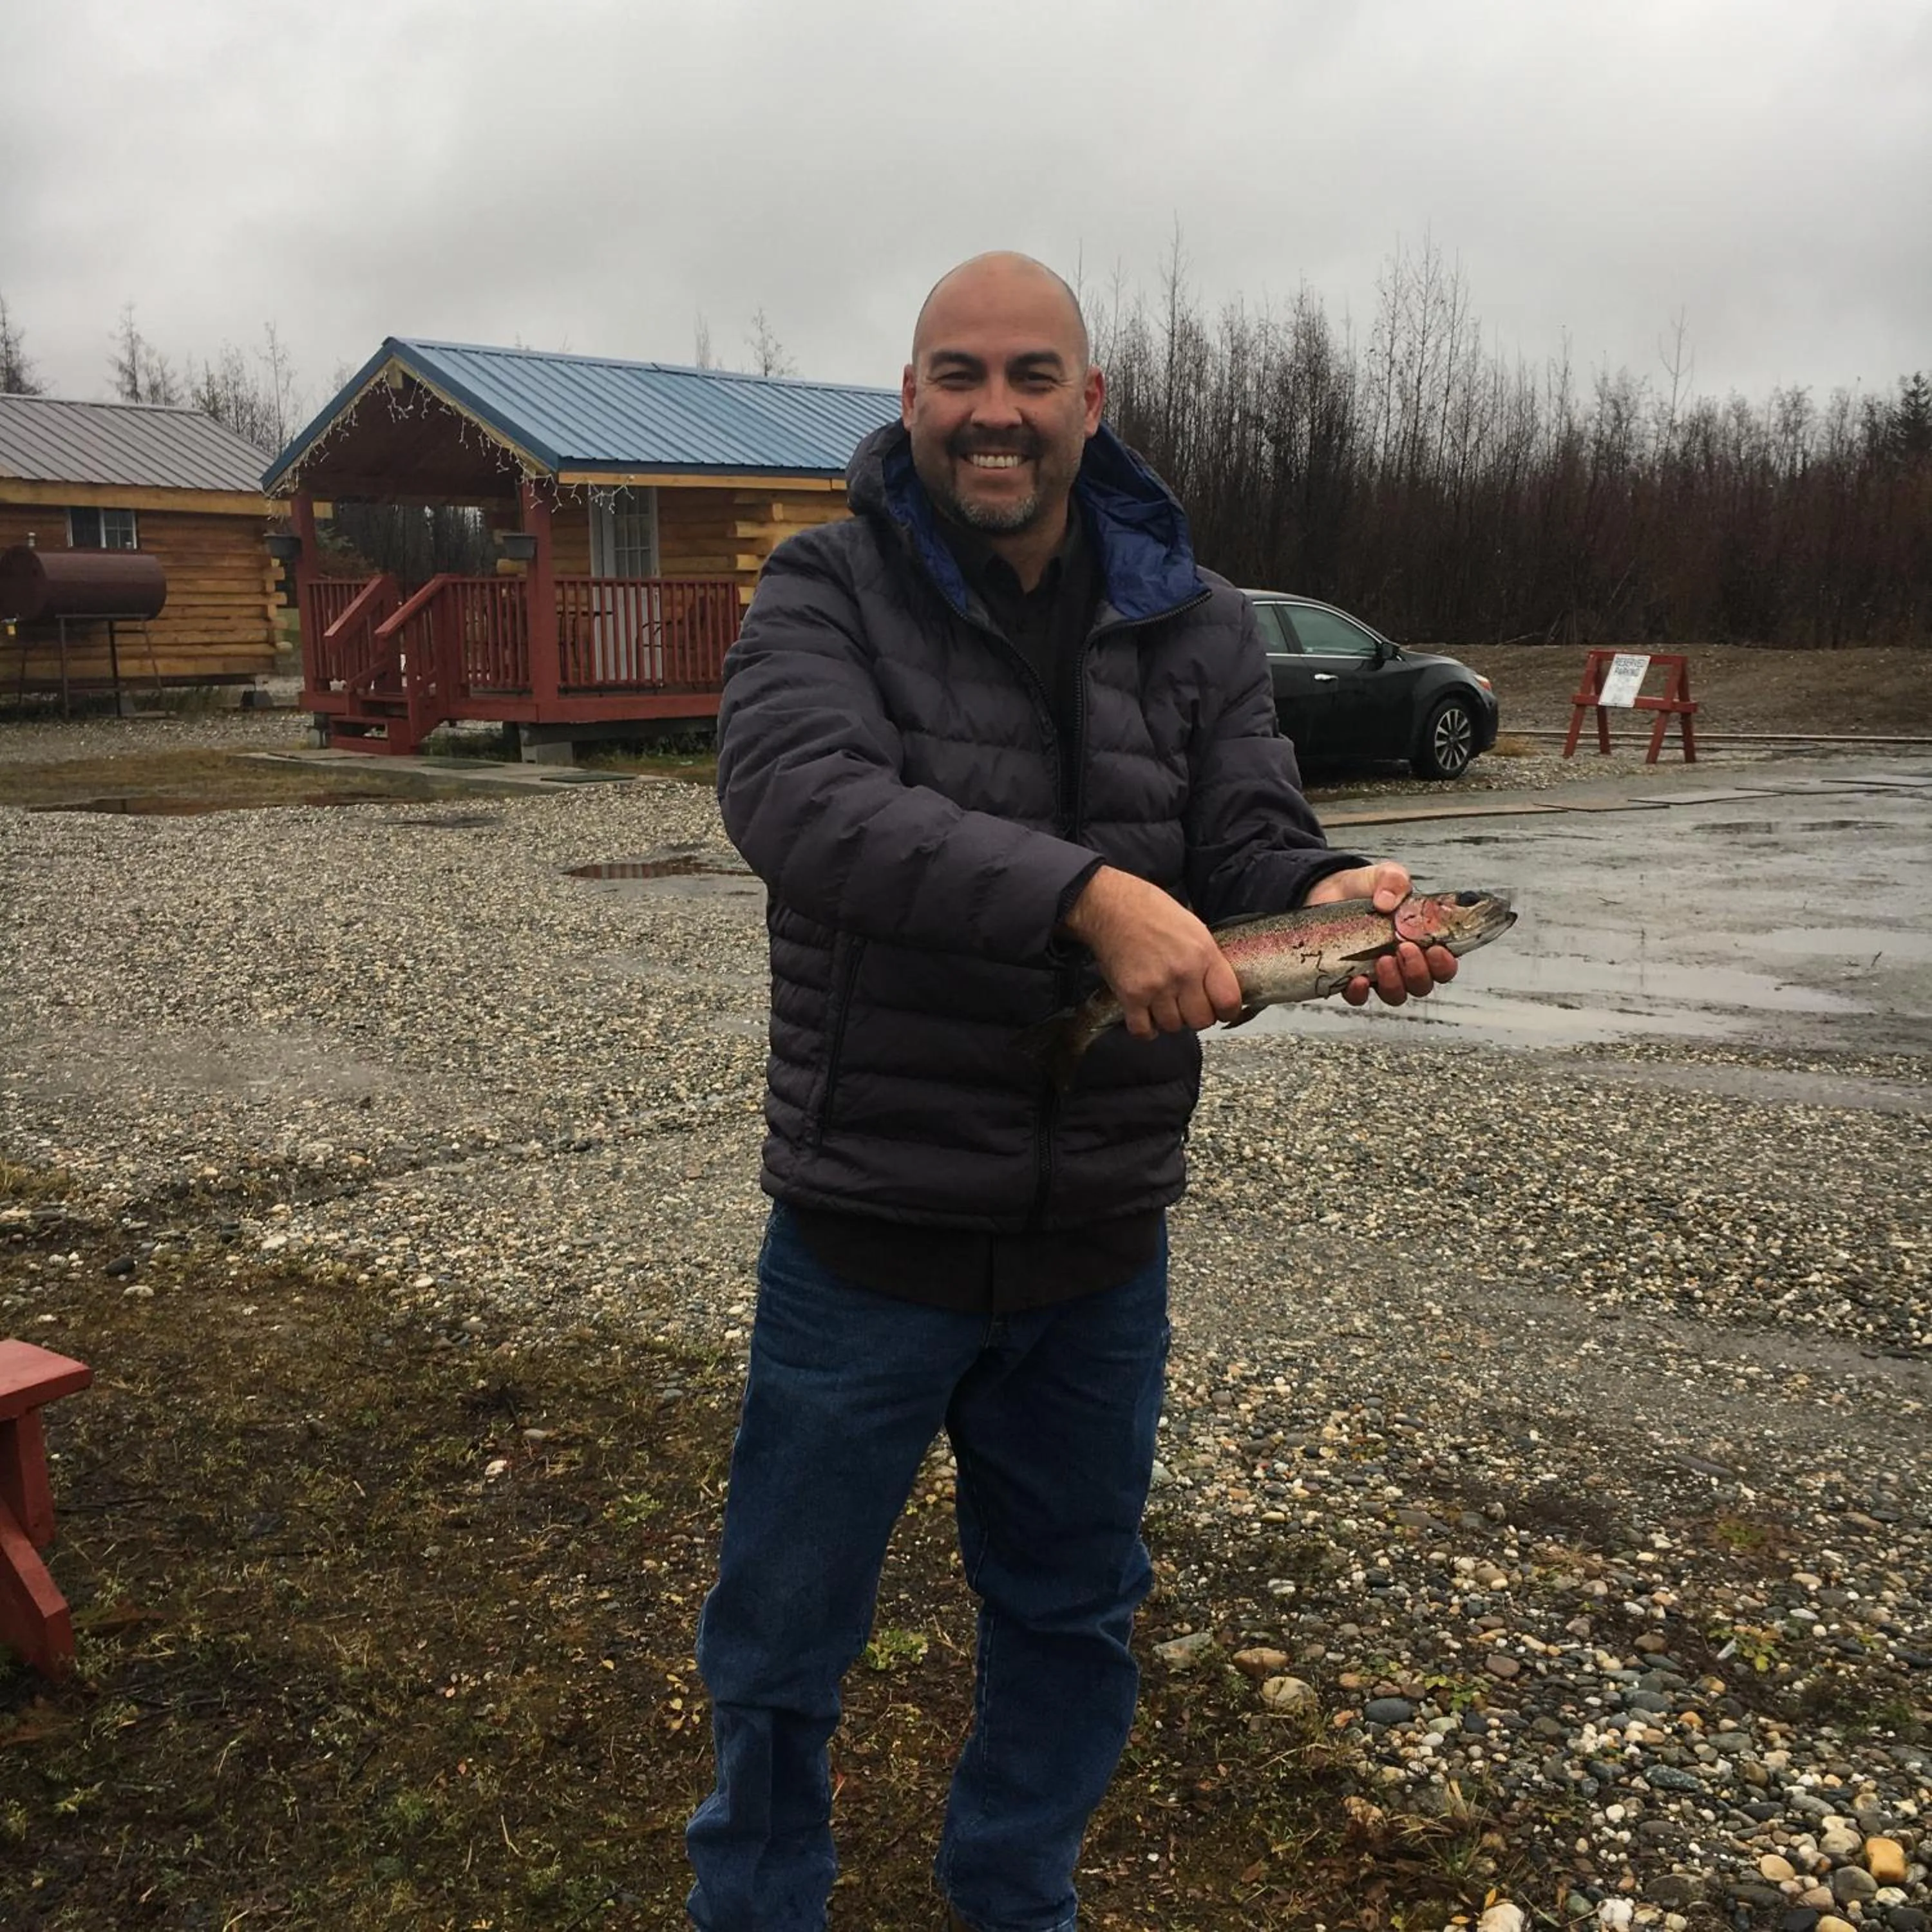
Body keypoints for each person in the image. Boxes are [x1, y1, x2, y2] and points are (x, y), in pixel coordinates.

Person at [685, 251, 1455, 1932]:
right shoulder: (825, 588)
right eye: (960, 375)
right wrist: (1086, 901)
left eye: (1033, 376)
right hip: (869, 1233)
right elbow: (800, 801)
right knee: (780, 1643)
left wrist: (1327, 897)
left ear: (1090, 403)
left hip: (1099, 1245)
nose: (997, 411)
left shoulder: (1196, 619)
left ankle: (1015, 1902)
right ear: (910, 398)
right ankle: (758, 1904)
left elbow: (1248, 836)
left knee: (1070, 1621)